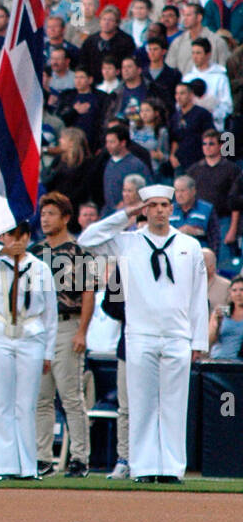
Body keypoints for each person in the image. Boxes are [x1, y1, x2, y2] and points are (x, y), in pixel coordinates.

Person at [78, 184, 208, 482]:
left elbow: (199, 297)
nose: (159, 210)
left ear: (172, 209)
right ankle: (144, 467)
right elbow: (87, 240)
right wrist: (126, 214)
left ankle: (172, 468)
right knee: (142, 404)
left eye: (164, 205)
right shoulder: (129, 242)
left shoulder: (189, 245)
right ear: (145, 210)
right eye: (152, 206)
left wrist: (198, 340)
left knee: (174, 405)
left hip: (177, 335)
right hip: (140, 335)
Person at [0, 222, 57, 480]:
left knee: (25, 404)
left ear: (27, 237)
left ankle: (28, 466)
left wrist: (49, 352)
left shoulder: (41, 268)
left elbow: (50, 313)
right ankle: (6, 466)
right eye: (9, 236)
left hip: (30, 333)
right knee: (1, 401)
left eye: (20, 236)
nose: (15, 241)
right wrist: (1, 251)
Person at [33, 193, 96, 478]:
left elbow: (88, 294)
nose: (45, 219)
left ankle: (80, 458)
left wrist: (82, 331)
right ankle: (42, 457)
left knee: (71, 396)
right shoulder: (34, 252)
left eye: (51, 214)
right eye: (43, 213)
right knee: (41, 397)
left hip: (67, 323)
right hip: (38, 328)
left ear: (66, 218)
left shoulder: (79, 252)